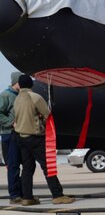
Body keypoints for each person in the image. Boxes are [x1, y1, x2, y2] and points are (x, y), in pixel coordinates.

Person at [13, 74, 74, 206]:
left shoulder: (17, 99)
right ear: (31, 84)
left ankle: (27, 198)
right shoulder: (35, 97)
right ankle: (57, 195)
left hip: (21, 138)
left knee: (27, 169)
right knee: (48, 167)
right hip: (35, 138)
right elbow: (48, 116)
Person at [0, 72, 22, 204]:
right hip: (8, 134)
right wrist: (11, 122)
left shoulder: (19, 96)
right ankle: (14, 195)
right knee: (13, 165)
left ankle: (22, 193)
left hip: (18, 134)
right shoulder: (5, 95)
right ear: (15, 82)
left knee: (20, 165)